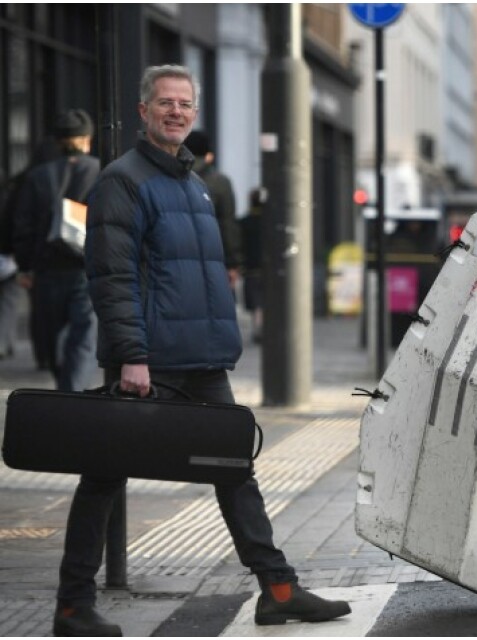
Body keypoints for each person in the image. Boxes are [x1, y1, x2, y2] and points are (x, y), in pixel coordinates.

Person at [54, 65, 350, 637]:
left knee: (236, 471)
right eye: (164, 103)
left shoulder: (193, 184)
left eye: (184, 104)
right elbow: (112, 277)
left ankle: (278, 588)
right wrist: (131, 356)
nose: (175, 112)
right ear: (144, 111)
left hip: (201, 361)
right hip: (150, 361)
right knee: (103, 479)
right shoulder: (123, 180)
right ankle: (72, 606)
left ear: (194, 113)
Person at [9, 109, 100, 391]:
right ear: (87, 139)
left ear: (58, 141)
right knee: (84, 334)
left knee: (53, 334)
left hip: (47, 269)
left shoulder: (38, 176)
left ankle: (66, 387)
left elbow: (22, 225)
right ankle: (73, 392)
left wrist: (25, 267)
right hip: (86, 267)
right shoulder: (100, 171)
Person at [184, 129, 243, 288]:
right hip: (211, 259)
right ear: (209, 155)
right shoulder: (220, 182)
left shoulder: (169, 176)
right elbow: (227, 224)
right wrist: (232, 263)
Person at [239, 187, 266, 342]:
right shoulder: (269, 223)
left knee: (255, 302)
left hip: (250, 268)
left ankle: (257, 327)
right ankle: (262, 327)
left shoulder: (245, 222)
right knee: (264, 300)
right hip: (266, 267)